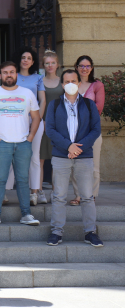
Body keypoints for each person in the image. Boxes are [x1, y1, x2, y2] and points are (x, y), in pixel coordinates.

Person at [0, 61, 42, 227]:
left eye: (12, 72)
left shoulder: (27, 93)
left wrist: (31, 136)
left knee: (22, 180)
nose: (8, 75)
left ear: (16, 75)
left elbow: (36, 116)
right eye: (5, 72)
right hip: (1, 143)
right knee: (0, 179)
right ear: (0, 76)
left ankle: (26, 214)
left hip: (23, 143)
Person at [45, 69, 103, 247]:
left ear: (79, 83)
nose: (70, 84)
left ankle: (90, 232)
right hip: (61, 156)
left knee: (87, 196)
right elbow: (50, 130)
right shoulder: (54, 105)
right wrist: (68, 146)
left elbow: (95, 129)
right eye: (67, 81)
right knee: (59, 195)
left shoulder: (88, 105)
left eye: (74, 80)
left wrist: (78, 148)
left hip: (83, 156)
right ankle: (56, 232)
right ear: (62, 84)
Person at [7, 46, 46, 206]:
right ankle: (5, 192)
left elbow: (42, 100)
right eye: (23, 57)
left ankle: (34, 193)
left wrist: (37, 119)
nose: (26, 60)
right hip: (14, 120)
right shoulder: (12, 76)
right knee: (9, 156)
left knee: (35, 157)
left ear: (33, 61)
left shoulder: (38, 78)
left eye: (29, 58)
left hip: (34, 120)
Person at [70, 55, 105, 205]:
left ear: (91, 68)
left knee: (93, 164)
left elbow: (99, 108)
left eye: (87, 66)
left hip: (92, 130)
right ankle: (78, 196)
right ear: (76, 67)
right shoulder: (72, 84)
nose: (84, 69)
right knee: (75, 165)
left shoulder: (97, 85)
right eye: (81, 66)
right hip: (73, 130)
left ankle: (91, 195)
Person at [40, 50, 63, 191]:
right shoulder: (39, 81)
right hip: (43, 123)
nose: (50, 65)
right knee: (40, 159)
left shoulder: (63, 81)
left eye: (52, 63)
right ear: (43, 65)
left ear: (57, 64)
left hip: (59, 124)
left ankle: (56, 192)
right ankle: (39, 192)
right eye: (47, 63)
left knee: (57, 159)